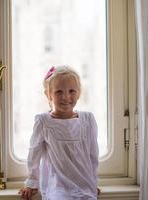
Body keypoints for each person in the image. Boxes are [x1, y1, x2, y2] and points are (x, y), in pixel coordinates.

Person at [19, 66, 99, 200]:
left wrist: (93, 182)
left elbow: (93, 156)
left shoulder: (88, 120)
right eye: (59, 92)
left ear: (79, 93)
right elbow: (34, 154)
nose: (66, 97)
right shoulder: (43, 121)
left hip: (84, 184)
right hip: (57, 185)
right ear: (48, 94)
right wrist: (32, 183)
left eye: (72, 91)